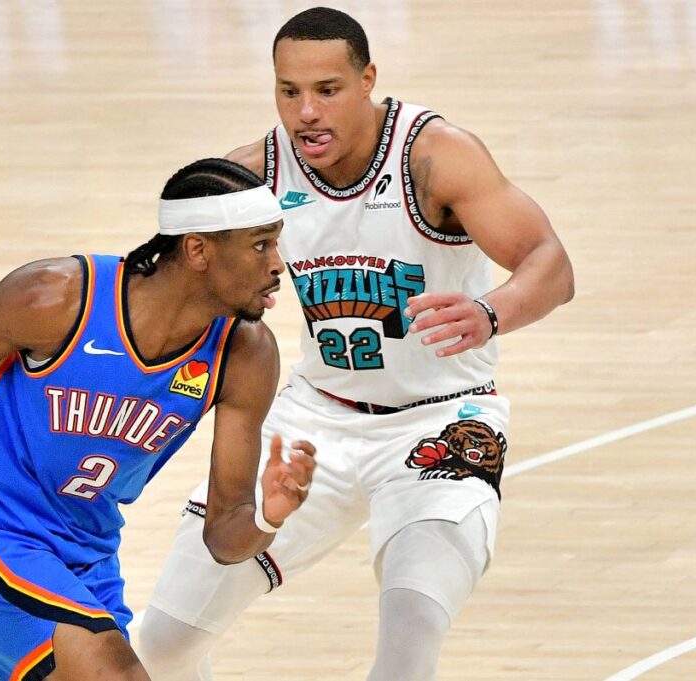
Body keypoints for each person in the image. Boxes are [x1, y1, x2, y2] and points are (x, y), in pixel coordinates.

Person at [137, 8, 575, 681]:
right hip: (314, 420)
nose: (306, 111)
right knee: (160, 644)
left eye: (328, 90)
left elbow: (550, 261)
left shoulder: (433, 156)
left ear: (368, 78)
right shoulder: (251, 175)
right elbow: (164, 290)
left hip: (444, 417)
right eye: (289, 91)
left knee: (406, 644)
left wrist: (492, 311)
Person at [0, 158, 317, 681]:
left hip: (88, 553)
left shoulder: (244, 355)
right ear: (198, 250)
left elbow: (225, 538)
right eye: (260, 244)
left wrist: (269, 517)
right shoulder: (58, 298)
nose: (279, 263)